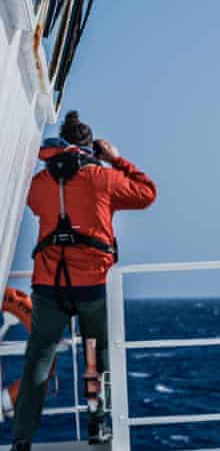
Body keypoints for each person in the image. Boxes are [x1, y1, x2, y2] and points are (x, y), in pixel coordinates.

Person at [11, 111, 157, 451]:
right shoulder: (102, 178)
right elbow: (147, 193)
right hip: (91, 286)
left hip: (48, 286)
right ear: (91, 146)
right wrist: (117, 160)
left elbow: (31, 205)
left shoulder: (39, 184)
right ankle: (96, 425)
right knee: (96, 355)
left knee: (38, 361)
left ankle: (21, 438)